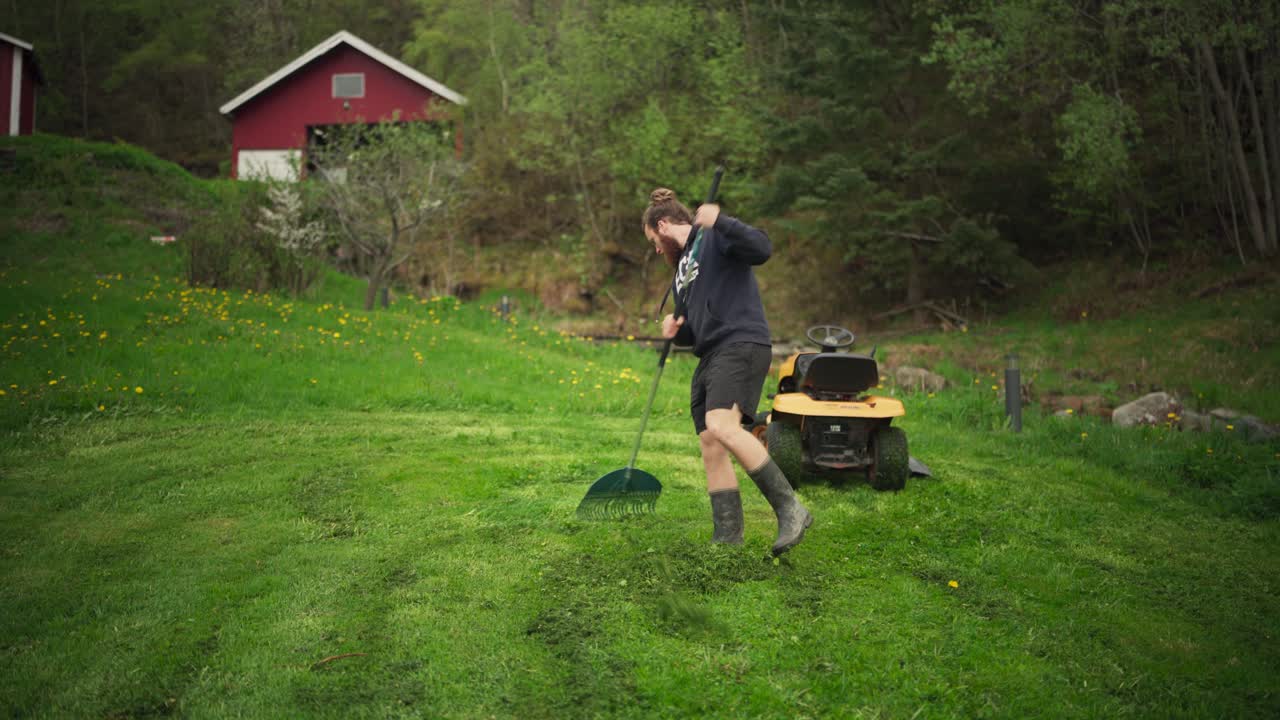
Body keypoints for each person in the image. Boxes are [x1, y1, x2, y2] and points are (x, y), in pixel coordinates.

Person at [642, 187, 812, 555]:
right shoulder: (682, 270)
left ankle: (791, 509)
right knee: (710, 443)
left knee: (722, 425)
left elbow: (762, 249)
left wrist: (721, 220)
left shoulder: (714, 236)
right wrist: (677, 328)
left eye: (654, 240)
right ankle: (727, 540)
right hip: (711, 355)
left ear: (664, 224)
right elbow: (694, 327)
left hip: (741, 343)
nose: (656, 249)